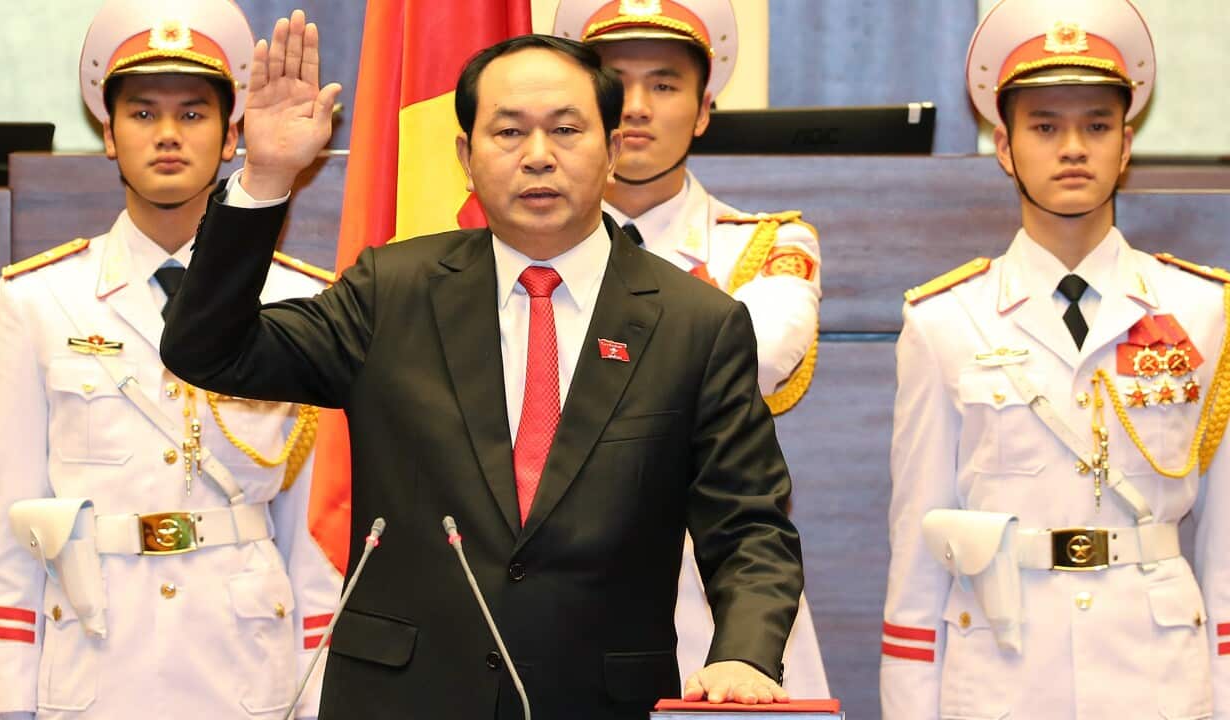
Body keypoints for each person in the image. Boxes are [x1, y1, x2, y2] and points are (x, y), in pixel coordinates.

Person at [160, 11, 804, 720]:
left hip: (602, 700)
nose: (537, 155)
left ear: (613, 148)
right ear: (465, 157)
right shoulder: (392, 291)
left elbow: (749, 526)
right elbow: (209, 350)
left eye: (566, 129)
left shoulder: (695, 324)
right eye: (508, 131)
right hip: (404, 698)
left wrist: (743, 654)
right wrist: (268, 177)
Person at [0, 2, 341, 718]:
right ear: (108, 134)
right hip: (97, 661)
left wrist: (318, 693)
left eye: (195, 114)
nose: (168, 135)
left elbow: (314, 528)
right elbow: (10, 521)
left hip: (246, 668)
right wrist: (11, 700)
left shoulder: (302, 298)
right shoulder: (40, 300)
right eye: (142, 114)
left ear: (234, 133)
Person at [881, 0, 1230, 717]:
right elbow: (917, 553)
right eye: (1044, 127)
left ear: (1126, 145)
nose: (1073, 147)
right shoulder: (945, 319)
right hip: (1005, 673)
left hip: (1157, 674)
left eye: (1097, 126)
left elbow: (1226, 547)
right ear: (1004, 147)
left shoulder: (1204, 311)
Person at [553, 0, 828, 698]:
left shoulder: (766, 246)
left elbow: (753, 360)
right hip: (560, 587)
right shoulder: (522, 256)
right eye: (616, 83)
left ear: (704, 110)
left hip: (724, 597)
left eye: (665, 84)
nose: (637, 107)